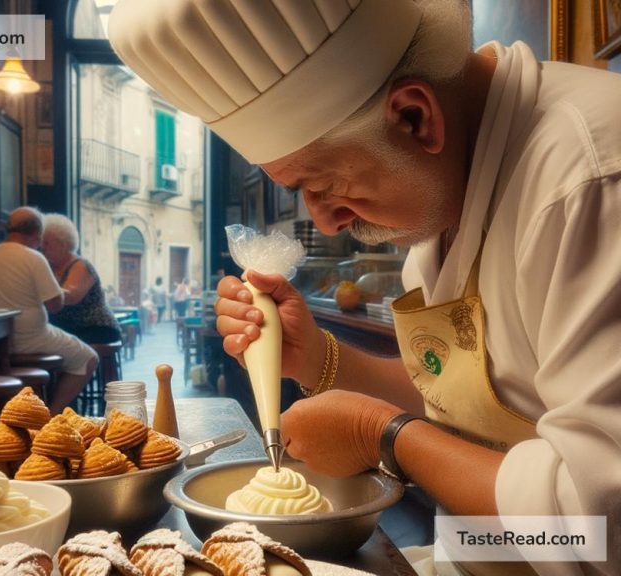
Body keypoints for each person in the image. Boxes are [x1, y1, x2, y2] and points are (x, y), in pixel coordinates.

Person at [108, 1, 621, 574]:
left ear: (413, 118)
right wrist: (317, 356)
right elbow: (469, 391)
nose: (325, 222)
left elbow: (598, 525)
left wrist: (383, 435)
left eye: (323, 183)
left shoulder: (590, 180)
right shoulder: (448, 183)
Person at [0, 207, 98, 414]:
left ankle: (28, 412)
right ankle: (49, 415)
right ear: (37, 234)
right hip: (31, 340)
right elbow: (55, 305)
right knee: (89, 358)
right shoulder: (33, 258)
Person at [41, 213, 122, 345]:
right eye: (41, 242)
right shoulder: (50, 267)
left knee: (56, 348)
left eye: (47, 242)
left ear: (63, 243)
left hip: (96, 327)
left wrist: (36, 294)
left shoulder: (81, 265)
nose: (42, 247)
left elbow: (71, 297)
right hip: (70, 329)